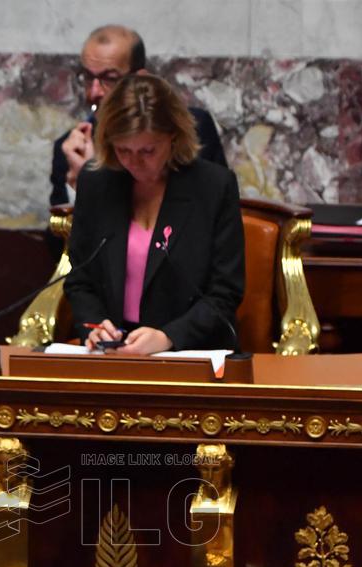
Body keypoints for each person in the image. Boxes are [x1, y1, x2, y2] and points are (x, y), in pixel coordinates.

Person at [64, 74, 244, 355]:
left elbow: (225, 292)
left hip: (188, 352)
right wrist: (96, 327)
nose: (134, 162)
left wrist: (168, 337)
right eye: (124, 150)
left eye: (148, 150)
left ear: (173, 136)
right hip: (112, 353)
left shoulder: (213, 187)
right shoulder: (96, 183)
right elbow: (80, 279)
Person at [50, 24, 226, 207]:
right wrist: (80, 187)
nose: (94, 92)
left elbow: (216, 212)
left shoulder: (191, 128)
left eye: (110, 78)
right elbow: (58, 234)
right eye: (87, 77)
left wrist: (97, 181)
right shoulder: (72, 150)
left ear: (140, 78)